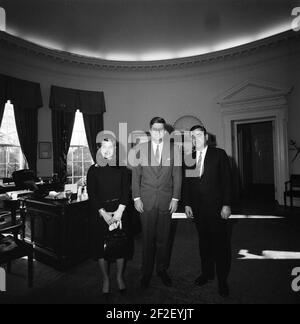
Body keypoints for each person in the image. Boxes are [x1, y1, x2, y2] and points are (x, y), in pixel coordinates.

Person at [131, 117, 182, 289]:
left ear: (165, 131)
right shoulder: (140, 149)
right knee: (147, 239)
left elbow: (177, 175)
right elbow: (135, 175)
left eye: (161, 129)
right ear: (150, 130)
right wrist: (136, 198)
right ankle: (146, 272)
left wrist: (175, 198)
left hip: (166, 201)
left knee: (164, 239)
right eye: (155, 129)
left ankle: (161, 270)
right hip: (145, 201)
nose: (158, 132)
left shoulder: (174, 149)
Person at [183, 125, 232, 298]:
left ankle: (222, 280)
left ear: (206, 137)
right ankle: (207, 273)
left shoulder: (219, 154)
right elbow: (188, 184)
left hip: (217, 210)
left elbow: (227, 181)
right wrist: (187, 204)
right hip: (198, 210)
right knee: (204, 244)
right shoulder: (190, 158)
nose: (195, 138)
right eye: (192, 136)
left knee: (220, 246)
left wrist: (227, 204)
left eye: (198, 135)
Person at [87, 137, 131, 297]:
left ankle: (119, 277)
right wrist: (104, 213)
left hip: (120, 212)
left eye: (110, 146)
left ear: (115, 149)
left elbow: (126, 192)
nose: (107, 149)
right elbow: (92, 194)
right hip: (100, 214)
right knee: (101, 249)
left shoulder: (123, 169)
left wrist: (119, 212)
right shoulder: (93, 169)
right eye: (103, 146)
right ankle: (105, 279)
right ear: (99, 149)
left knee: (120, 247)